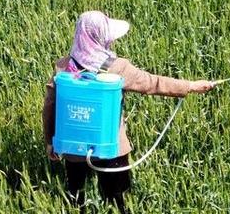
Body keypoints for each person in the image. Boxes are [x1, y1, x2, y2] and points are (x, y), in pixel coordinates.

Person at [42, 11, 215, 213]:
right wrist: (190, 86)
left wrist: (50, 142)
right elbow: (153, 83)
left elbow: (49, 108)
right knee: (118, 200)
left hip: (73, 149)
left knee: (75, 196)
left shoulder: (63, 68)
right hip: (111, 149)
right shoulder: (117, 68)